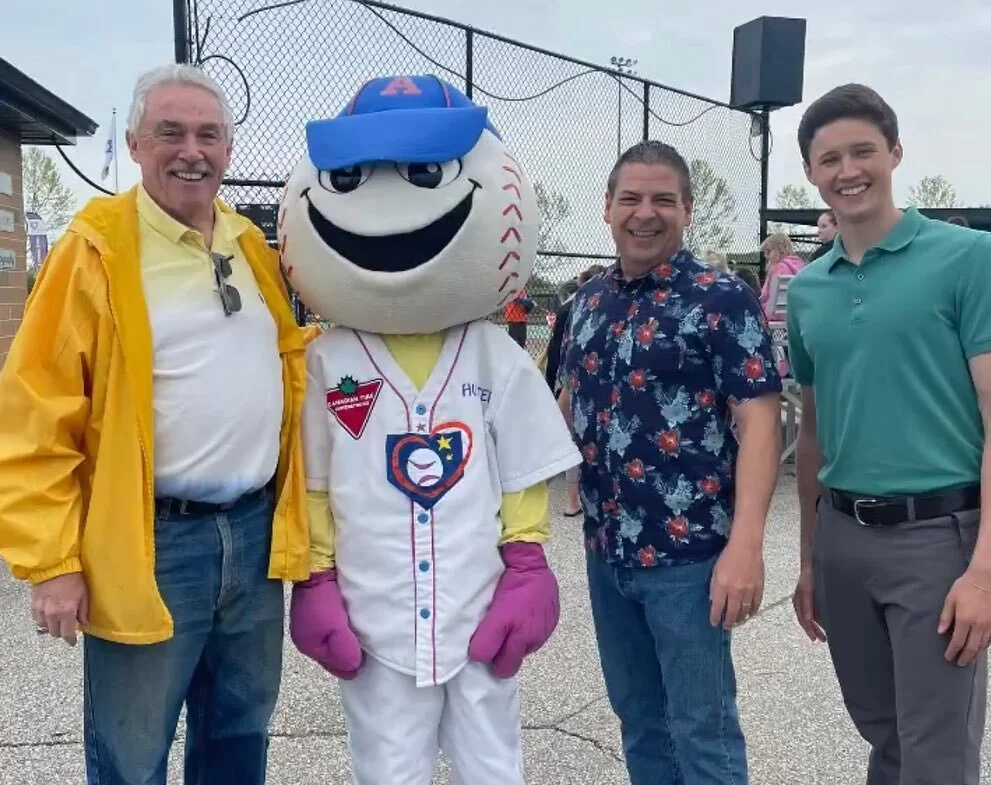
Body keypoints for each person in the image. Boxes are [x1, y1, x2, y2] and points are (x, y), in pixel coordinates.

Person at [0, 64, 310, 785]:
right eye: (170, 132)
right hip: (152, 540)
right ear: (136, 143)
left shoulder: (251, 245)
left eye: (208, 134)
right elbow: (33, 413)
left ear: (230, 150)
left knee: (238, 736)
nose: (190, 150)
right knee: (132, 753)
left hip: (254, 535)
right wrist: (52, 562)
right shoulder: (96, 248)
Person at [276, 74, 582, 785]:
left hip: (479, 601)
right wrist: (315, 576)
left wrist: (529, 562)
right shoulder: (327, 361)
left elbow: (522, 473)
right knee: (387, 768)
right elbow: (313, 483)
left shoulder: (492, 354)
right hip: (372, 612)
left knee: (492, 763)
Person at [787, 83, 991, 785]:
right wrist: (809, 556)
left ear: (895, 152)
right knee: (886, 738)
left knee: (936, 756)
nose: (847, 171)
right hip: (844, 537)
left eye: (862, 151)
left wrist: (988, 569)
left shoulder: (970, 259)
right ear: (812, 173)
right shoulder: (809, 289)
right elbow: (814, 431)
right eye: (830, 159)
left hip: (938, 537)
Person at [558, 140, 783, 784]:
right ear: (607, 208)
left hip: (691, 561)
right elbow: (568, 407)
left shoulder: (721, 299)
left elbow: (760, 420)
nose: (645, 213)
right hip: (608, 554)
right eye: (630, 198)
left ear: (687, 209)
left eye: (663, 199)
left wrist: (747, 545)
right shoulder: (588, 305)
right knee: (640, 723)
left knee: (702, 731)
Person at [545, 264, 606, 517]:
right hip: (578, 378)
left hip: (564, 374)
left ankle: (570, 498)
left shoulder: (573, 306)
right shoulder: (588, 306)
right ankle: (572, 499)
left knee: (567, 437)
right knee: (574, 437)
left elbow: (557, 346)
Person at [758, 232, 805, 321]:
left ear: (779, 249)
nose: (766, 256)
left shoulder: (778, 268)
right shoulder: (800, 266)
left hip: (774, 314)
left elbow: (766, 296)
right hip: (795, 314)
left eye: (768, 251)